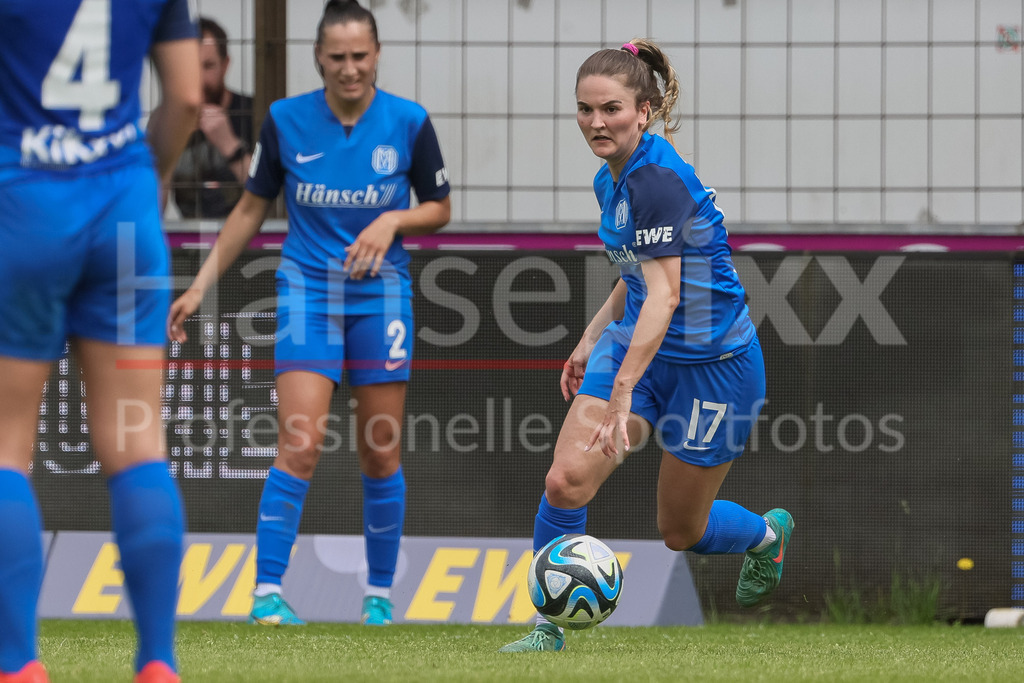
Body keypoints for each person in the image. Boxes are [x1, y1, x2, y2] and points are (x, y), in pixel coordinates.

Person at [499, 39, 793, 652]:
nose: (595, 123)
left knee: (680, 531)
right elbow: (635, 278)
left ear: (646, 109)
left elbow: (664, 296)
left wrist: (622, 391)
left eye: (610, 109)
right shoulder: (613, 180)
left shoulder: (657, 179)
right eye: (584, 110)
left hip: (717, 370)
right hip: (639, 345)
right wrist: (590, 338)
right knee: (565, 482)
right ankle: (546, 628)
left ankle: (766, 537)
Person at [168, 0, 450, 628]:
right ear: (318, 59)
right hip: (306, 293)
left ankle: (379, 597)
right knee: (299, 442)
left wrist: (392, 218)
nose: (350, 69)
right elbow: (249, 210)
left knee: (380, 450)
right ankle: (267, 594)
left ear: (377, 56)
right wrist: (199, 287)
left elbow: (439, 206)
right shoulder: (285, 120)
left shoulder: (408, 122)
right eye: (337, 58)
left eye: (360, 56)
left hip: (382, 296)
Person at [0, 1, 200, 682]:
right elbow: (185, 96)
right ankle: (156, 662)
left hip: (23, 202)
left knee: (5, 445)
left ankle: (18, 664)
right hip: (124, 210)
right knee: (139, 443)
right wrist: (151, 178)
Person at [170, 16, 255, 218]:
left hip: (251, 244)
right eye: (190, 67)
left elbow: (276, 199)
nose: (198, 79)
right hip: (187, 242)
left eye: (208, 66)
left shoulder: (256, 113)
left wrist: (230, 146)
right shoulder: (167, 119)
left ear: (225, 65)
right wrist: (170, 148)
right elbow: (152, 209)